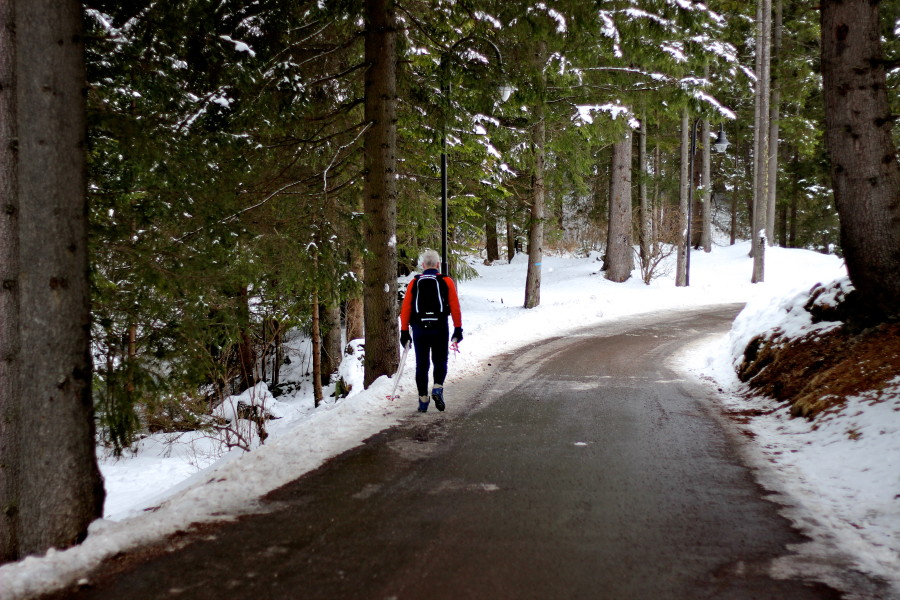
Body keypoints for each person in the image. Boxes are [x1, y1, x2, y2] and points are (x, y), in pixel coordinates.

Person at [399, 249, 463, 412]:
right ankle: (437, 387)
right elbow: (455, 306)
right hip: (440, 327)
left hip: (419, 328)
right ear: (438, 265)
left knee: (422, 365)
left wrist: (404, 331)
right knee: (440, 361)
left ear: (422, 265)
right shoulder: (446, 281)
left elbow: (406, 308)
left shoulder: (415, 282)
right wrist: (457, 328)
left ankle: (422, 400)